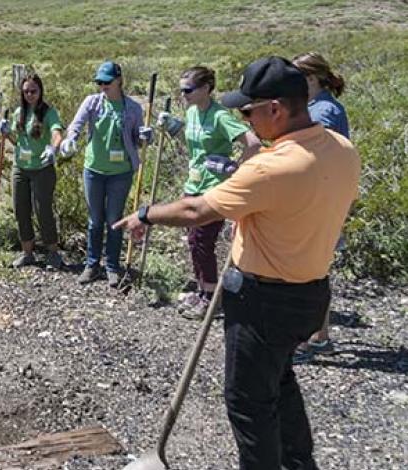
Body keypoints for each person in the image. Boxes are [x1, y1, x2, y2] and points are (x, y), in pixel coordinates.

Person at [114, 56, 360, 470]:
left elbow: (196, 211)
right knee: (279, 381)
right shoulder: (343, 150)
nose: (245, 120)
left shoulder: (271, 166)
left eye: (248, 111)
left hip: (265, 301)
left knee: (248, 403)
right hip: (311, 295)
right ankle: (300, 464)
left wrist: (144, 214)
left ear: (276, 109)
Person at [154, 66, 262, 316]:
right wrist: (173, 127)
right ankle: (203, 290)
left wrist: (235, 168)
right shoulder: (192, 112)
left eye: (188, 90)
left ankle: (212, 297)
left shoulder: (220, 116)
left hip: (214, 189)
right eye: (181, 90)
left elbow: (253, 144)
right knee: (194, 241)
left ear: (206, 89)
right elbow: (194, 146)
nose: (183, 95)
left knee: (202, 241)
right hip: (193, 186)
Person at [62, 61, 154, 288]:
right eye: (99, 82)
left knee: (115, 220)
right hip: (94, 170)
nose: (102, 86)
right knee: (95, 220)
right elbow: (76, 124)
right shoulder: (92, 102)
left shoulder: (133, 108)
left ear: (119, 80)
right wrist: (71, 138)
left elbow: (138, 140)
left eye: (107, 82)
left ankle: (112, 266)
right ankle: (92, 265)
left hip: (120, 172)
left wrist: (146, 137)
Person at [292, 52, 350, 364]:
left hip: (318, 201)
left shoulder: (323, 111)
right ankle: (318, 336)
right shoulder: (319, 106)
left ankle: (309, 339)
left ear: (312, 79)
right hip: (322, 198)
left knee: (310, 271)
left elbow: (315, 157)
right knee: (315, 269)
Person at [0, 74, 64, 268]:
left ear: (40, 91)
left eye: (33, 91)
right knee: (21, 209)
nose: (30, 95)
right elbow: (18, 141)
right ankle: (27, 253)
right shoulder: (19, 112)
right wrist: (6, 132)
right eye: (26, 91)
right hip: (21, 167)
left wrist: (53, 148)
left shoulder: (49, 112)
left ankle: (53, 252)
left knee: (43, 210)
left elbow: (57, 133)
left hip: (42, 168)